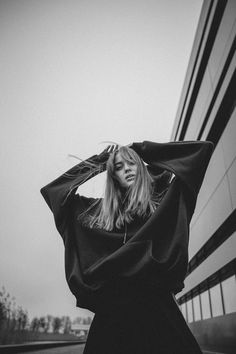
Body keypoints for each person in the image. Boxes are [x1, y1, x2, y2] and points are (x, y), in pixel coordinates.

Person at [40, 140, 214, 354]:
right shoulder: (96, 216)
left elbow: (201, 151)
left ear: (141, 167)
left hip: (159, 312)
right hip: (111, 318)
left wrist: (140, 149)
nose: (127, 169)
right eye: (119, 167)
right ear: (113, 176)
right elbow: (54, 192)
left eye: (132, 163)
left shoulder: (165, 202)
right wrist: (99, 163)